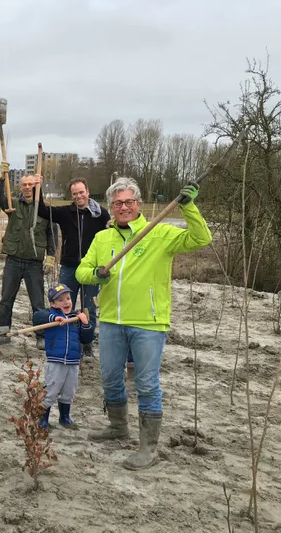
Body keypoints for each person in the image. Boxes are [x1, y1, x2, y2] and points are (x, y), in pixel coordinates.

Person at [77, 177, 210, 470]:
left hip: (149, 322)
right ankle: (118, 427)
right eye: (117, 203)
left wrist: (189, 208)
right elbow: (81, 272)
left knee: (147, 384)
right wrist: (96, 275)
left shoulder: (158, 233)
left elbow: (201, 239)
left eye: (128, 202)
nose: (123, 207)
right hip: (112, 319)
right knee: (110, 377)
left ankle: (148, 449)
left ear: (138, 204)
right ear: (111, 207)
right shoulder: (103, 238)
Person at [35, 175, 110, 357]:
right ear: (71, 195)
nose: (78, 196)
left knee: (89, 308)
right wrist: (39, 187)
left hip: (91, 269)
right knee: (62, 305)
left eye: (81, 192)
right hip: (69, 267)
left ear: (88, 192)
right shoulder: (65, 213)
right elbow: (43, 210)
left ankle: (87, 344)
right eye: (74, 193)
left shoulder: (101, 214)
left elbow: (110, 238)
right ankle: (62, 340)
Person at [0, 165, 56, 330]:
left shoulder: (45, 209)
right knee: (6, 300)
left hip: (34, 264)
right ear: (20, 187)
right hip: (13, 261)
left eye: (31, 185)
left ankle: (41, 335)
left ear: (36, 186)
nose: (27, 188)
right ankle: (1, 332)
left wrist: (51, 257)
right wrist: (1, 178)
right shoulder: (12, 205)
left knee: (38, 303)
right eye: (24, 185)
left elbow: (52, 234)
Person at [32, 283, 94, 430]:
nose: (66, 302)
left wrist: (85, 324)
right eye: (60, 300)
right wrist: (54, 318)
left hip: (73, 361)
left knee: (69, 391)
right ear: (52, 303)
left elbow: (87, 339)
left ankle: (64, 417)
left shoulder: (75, 318)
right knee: (51, 390)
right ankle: (43, 418)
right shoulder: (50, 316)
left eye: (67, 298)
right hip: (55, 361)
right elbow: (37, 317)